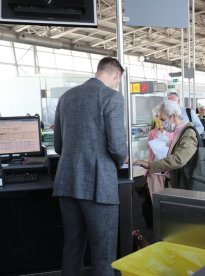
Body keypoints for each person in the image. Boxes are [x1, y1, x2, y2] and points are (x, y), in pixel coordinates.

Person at [53, 57, 127, 276]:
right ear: (116, 75)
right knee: (103, 254)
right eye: (118, 81)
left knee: (72, 247)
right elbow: (117, 146)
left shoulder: (66, 97)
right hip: (99, 185)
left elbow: (58, 145)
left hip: (66, 182)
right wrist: (120, 160)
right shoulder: (112, 97)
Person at [136, 100, 198, 189]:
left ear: (173, 116)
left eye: (163, 120)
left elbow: (179, 159)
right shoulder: (178, 132)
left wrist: (150, 165)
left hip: (185, 184)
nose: (162, 123)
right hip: (177, 181)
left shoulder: (188, 133)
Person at [145, 107, 174, 199]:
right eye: (156, 117)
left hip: (169, 169)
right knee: (156, 197)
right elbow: (150, 151)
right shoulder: (152, 133)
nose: (159, 120)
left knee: (169, 198)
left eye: (161, 118)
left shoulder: (173, 133)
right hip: (155, 170)